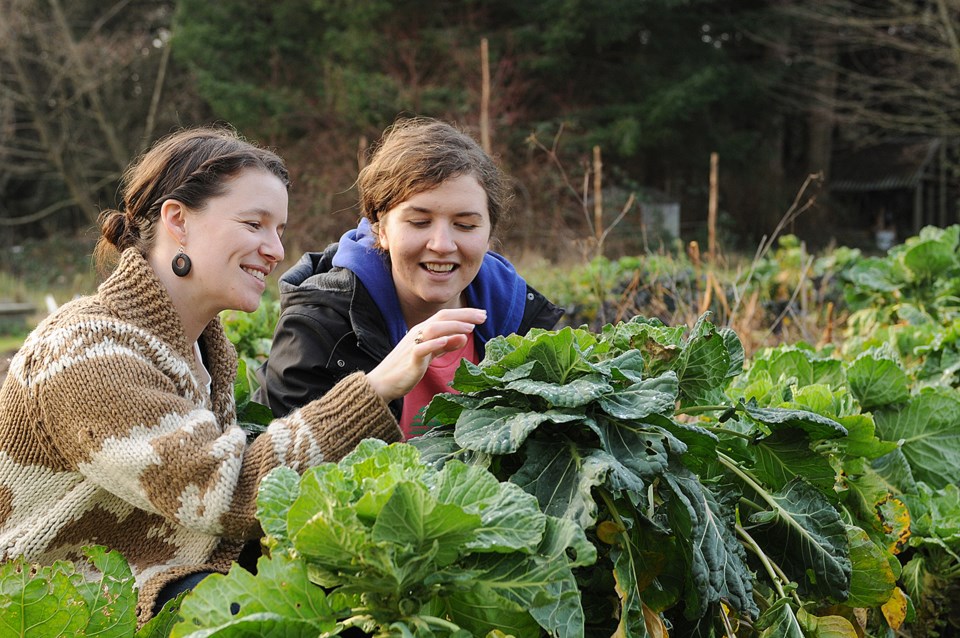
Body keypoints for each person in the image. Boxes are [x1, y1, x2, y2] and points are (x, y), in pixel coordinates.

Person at [0, 126, 467, 626]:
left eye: (279, 230)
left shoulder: (201, 350)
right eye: (254, 224)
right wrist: (374, 388)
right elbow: (221, 490)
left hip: (154, 581)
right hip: (53, 605)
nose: (275, 250)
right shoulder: (86, 349)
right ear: (177, 220)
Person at [256, 117, 563, 438]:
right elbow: (277, 462)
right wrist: (372, 393)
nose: (442, 245)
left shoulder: (522, 324)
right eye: (419, 222)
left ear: (489, 236)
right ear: (380, 228)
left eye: (466, 225)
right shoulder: (318, 324)